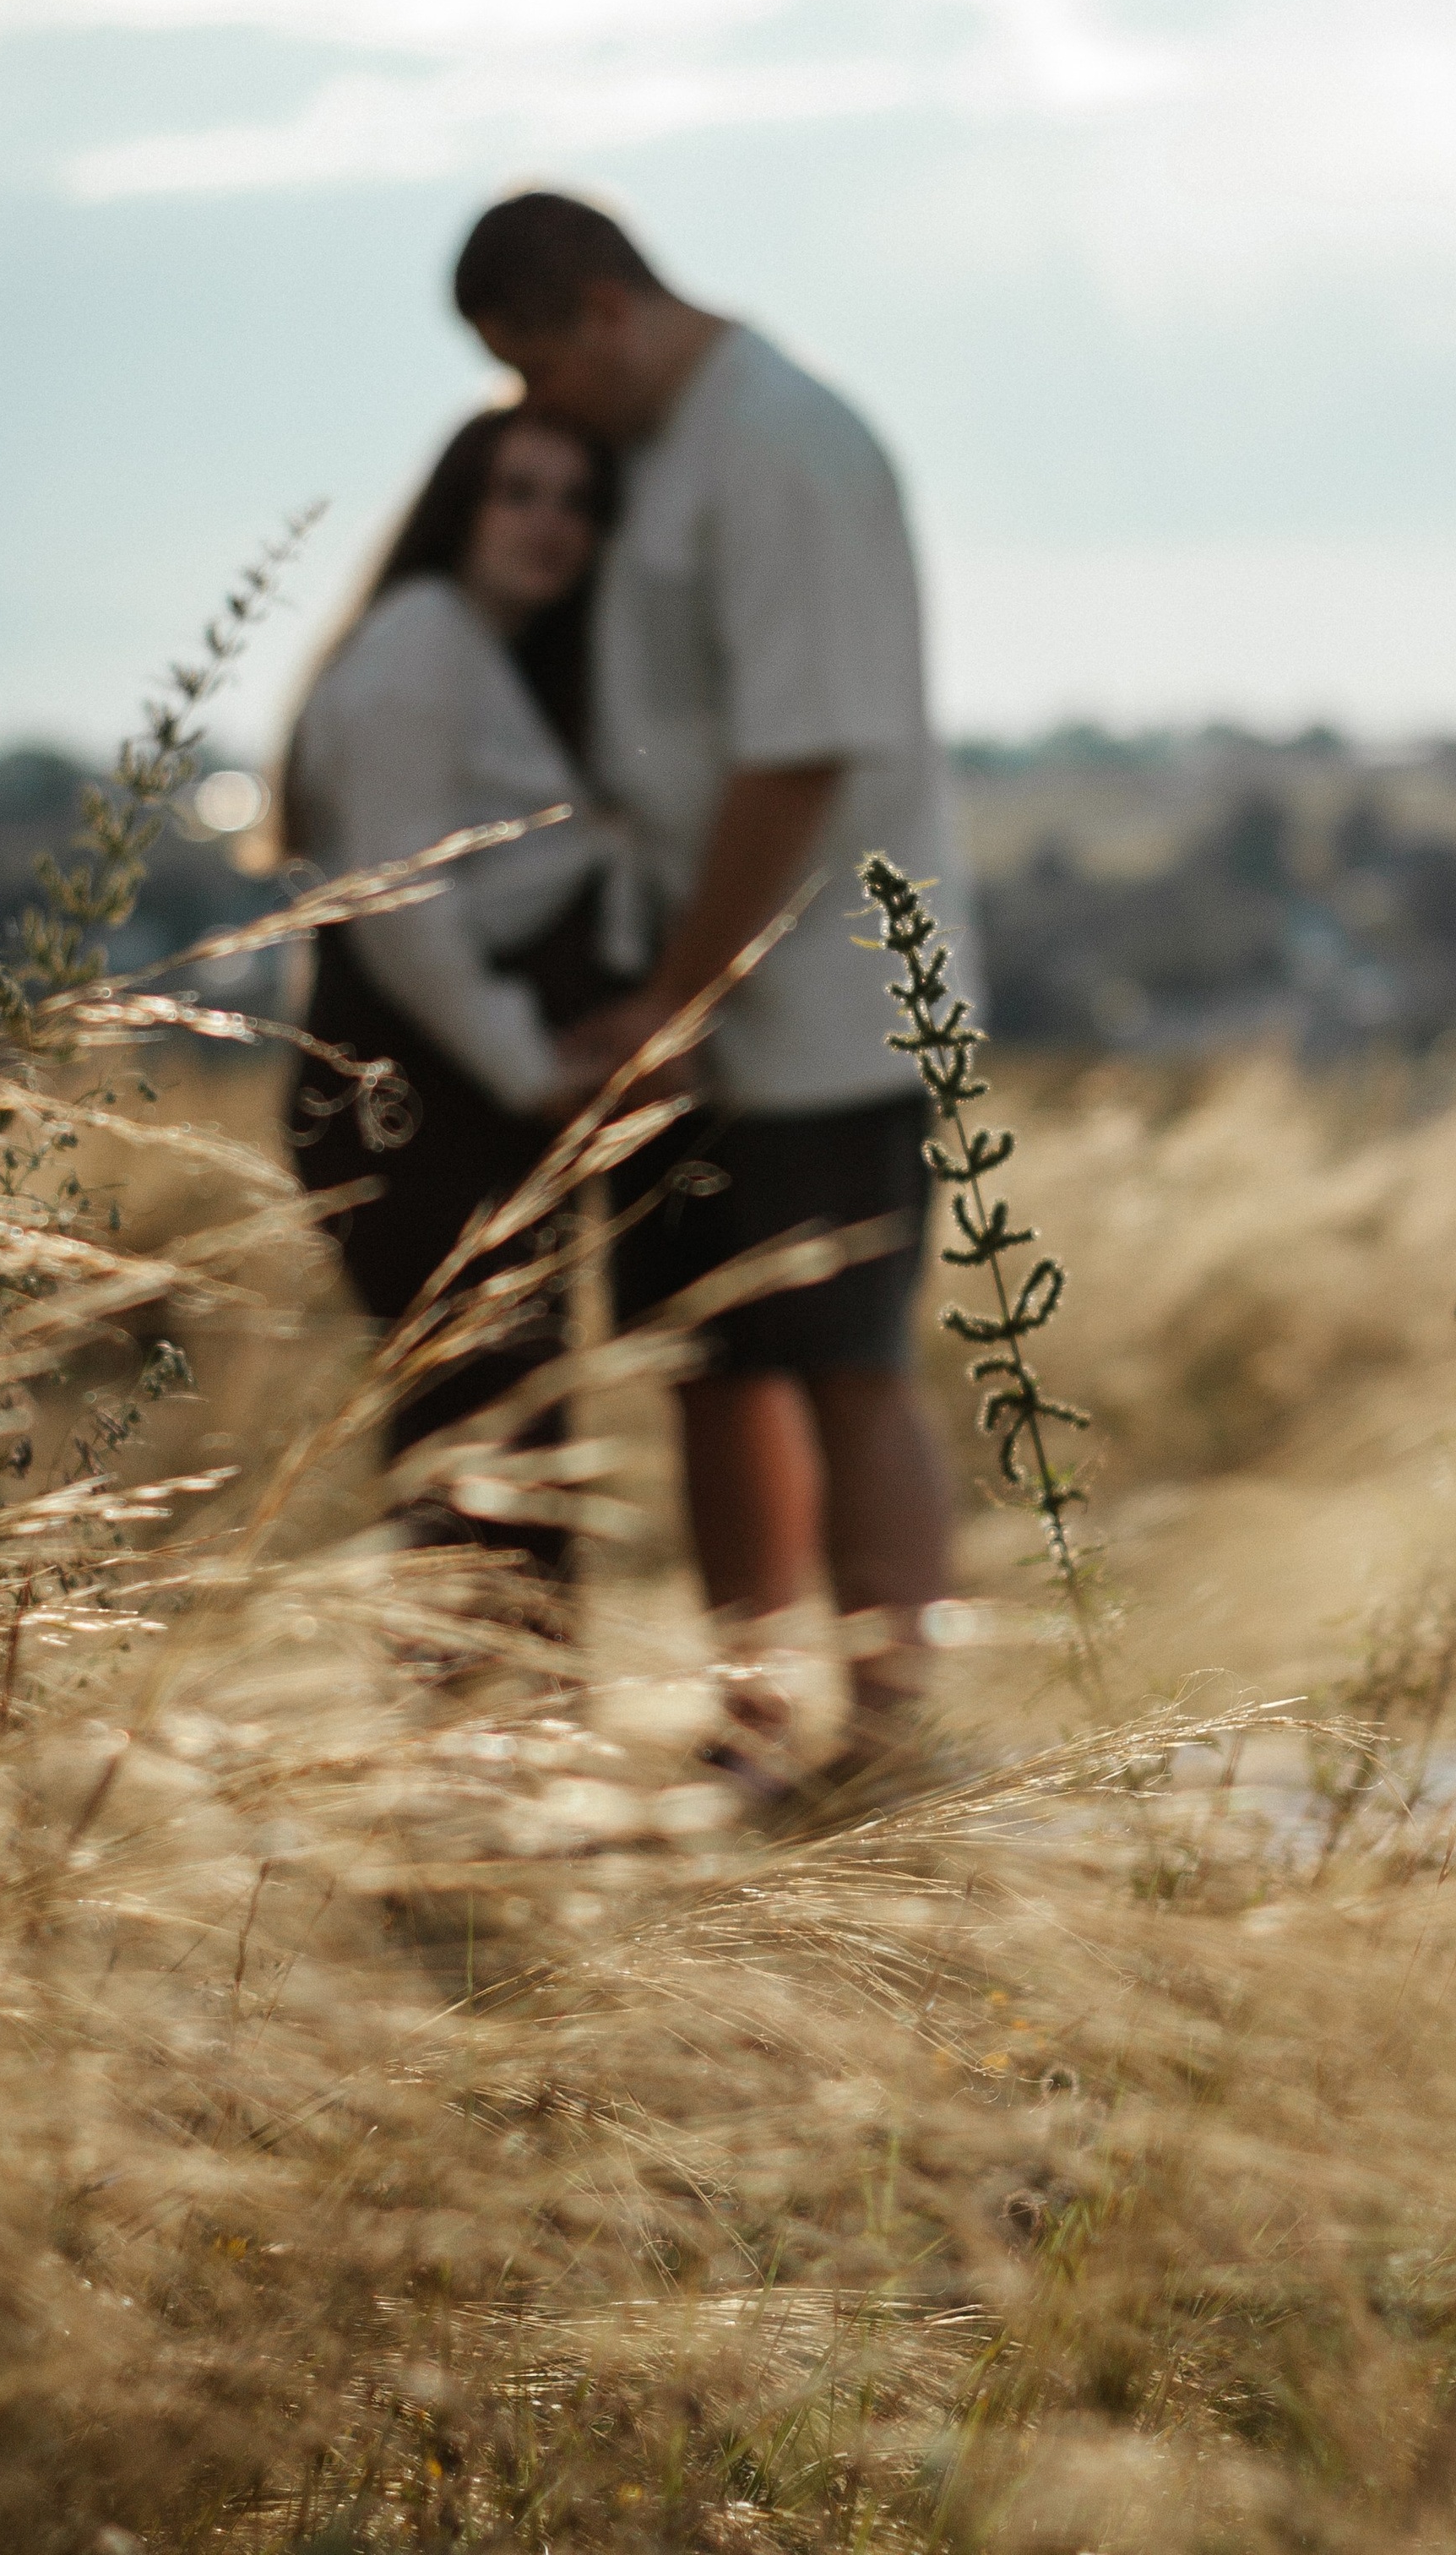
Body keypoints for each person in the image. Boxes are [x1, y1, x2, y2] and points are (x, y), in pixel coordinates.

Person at [450, 188, 963, 1786]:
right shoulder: (666, 451)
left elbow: (798, 757)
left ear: (601, 308)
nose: (529, 407)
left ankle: (885, 1734)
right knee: (716, 1363)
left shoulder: (782, 445)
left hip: (825, 1008)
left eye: (529, 363)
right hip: (690, 1008)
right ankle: (753, 1714)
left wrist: (675, 999)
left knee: (846, 1363)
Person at [280, 403, 640, 1583]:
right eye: (518, 492)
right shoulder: (423, 639)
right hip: (418, 1094)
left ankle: (507, 1732)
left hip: (461, 1092)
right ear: (457, 510)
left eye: (577, 501)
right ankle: (485, 1733)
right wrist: (530, 1066)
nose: (551, 523)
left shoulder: (479, 653)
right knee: (481, 1426)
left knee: (508, 1413)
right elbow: (405, 902)